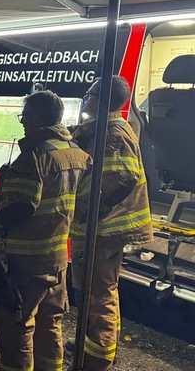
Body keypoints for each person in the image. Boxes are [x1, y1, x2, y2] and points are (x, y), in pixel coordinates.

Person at [0, 91, 91, 371]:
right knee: (50, 326)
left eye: (26, 115)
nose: (22, 122)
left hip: (25, 264)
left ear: (40, 117)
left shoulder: (34, 157)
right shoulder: (78, 153)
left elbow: (19, 208)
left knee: (16, 329)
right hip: (56, 261)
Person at [68, 75, 153, 370]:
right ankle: (89, 345)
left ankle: (96, 360)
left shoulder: (113, 135)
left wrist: (92, 211)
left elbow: (124, 178)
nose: (85, 97)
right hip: (100, 230)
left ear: (103, 99)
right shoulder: (103, 130)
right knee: (96, 291)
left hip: (103, 231)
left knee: (98, 294)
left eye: (90, 93)